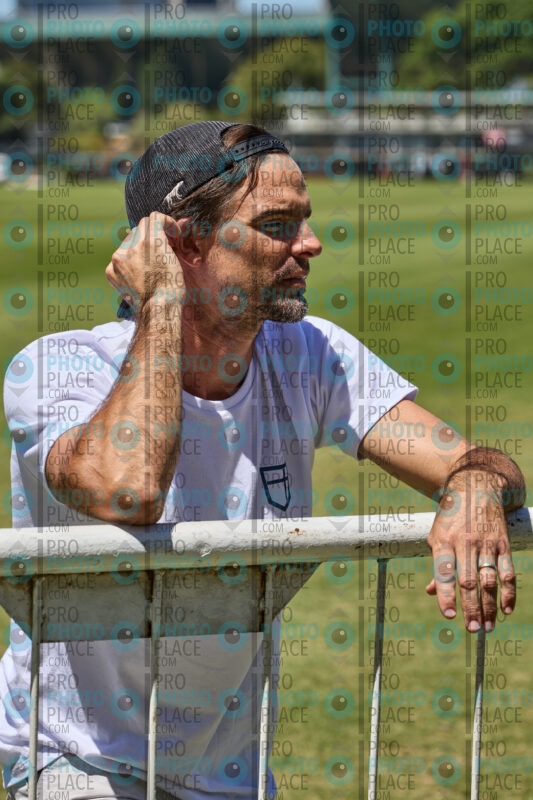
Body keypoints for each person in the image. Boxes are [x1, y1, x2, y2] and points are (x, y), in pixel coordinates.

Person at [0, 121, 525, 800]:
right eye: (276, 225)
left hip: (229, 776)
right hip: (80, 760)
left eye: (303, 220)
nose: (309, 244)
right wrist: (163, 301)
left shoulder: (310, 354)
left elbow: (469, 459)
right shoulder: (59, 366)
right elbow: (128, 489)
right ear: (181, 242)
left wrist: (476, 486)